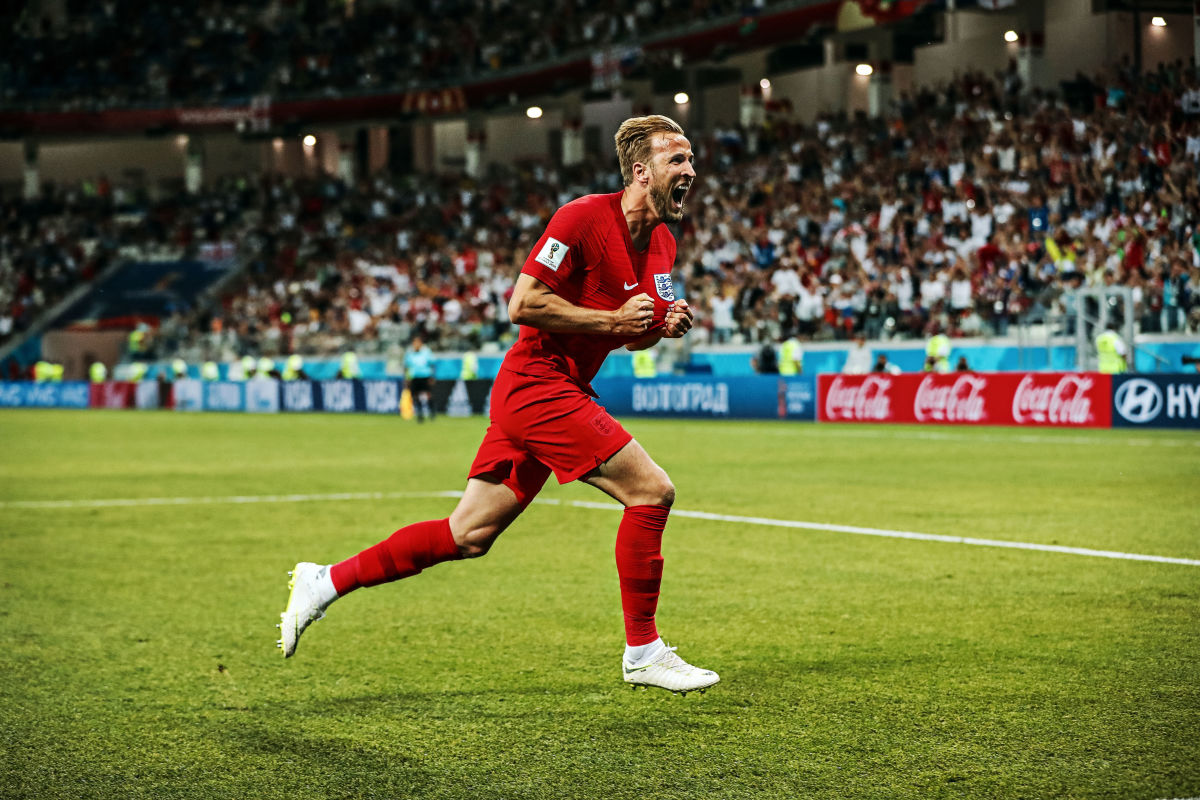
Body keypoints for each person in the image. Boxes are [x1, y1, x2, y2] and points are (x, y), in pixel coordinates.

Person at [278, 114, 718, 695]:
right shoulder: (582, 217)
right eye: (678, 160)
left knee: (468, 534)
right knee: (651, 491)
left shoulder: (662, 241)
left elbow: (628, 331)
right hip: (537, 384)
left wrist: (658, 326)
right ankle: (643, 652)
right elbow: (523, 302)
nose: (691, 170)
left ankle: (324, 580)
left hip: (556, 389)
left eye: (691, 160)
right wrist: (614, 319)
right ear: (641, 171)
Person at [403, 335, 436, 422]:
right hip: (414, 377)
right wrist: (407, 378)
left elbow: (432, 364)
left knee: (428, 394)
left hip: (425, 376)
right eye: (414, 342)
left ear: (421, 343)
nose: (416, 344)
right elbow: (406, 366)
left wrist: (432, 376)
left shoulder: (426, 352)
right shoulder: (409, 353)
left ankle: (432, 412)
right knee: (415, 396)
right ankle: (420, 414)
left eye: (418, 342)